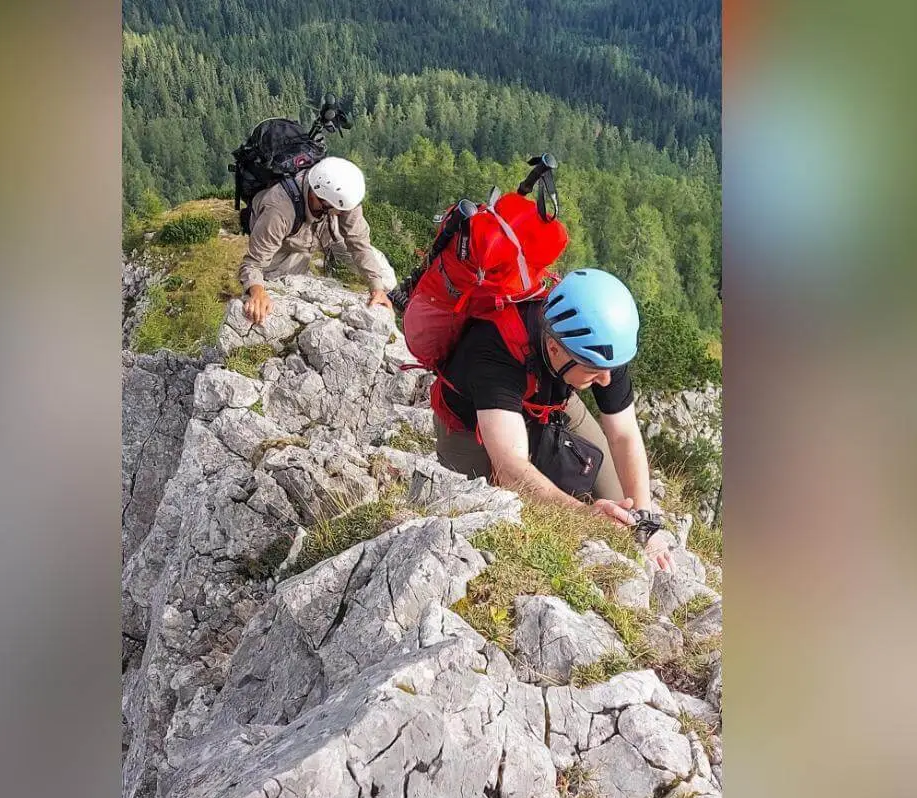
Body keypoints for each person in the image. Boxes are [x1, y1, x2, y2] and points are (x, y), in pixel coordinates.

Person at [432, 268, 677, 571]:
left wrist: (645, 522)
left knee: (620, 507)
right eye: (593, 370)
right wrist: (584, 515)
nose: (606, 380)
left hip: (547, 401)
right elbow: (510, 468)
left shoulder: (602, 347)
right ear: (554, 348)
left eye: (610, 369)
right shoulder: (495, 347)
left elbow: (624, 435)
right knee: (492, 510)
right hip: (471, 423)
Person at [238, 157, 396, 324]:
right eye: (339, 210)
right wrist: (257, 291)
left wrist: (377, 287)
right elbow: (253, 264)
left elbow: (359, 244)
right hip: (287, 243)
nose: (343, 214)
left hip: (328, 233)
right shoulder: (279, 211)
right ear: (317, 197)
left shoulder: (342, 198)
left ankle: (389, 301)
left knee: (385, 278)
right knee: (277, 296)